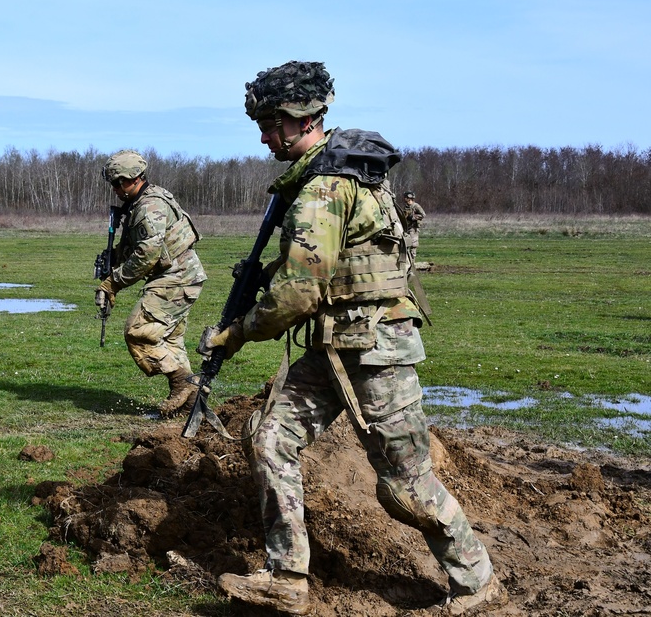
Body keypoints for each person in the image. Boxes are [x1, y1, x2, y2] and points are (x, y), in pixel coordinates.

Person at [206, 61, 506, 615]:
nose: (265, 136)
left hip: (378, 353)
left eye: (271, 124)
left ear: (301, 119)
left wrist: (237, 334)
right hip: (334, 347)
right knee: (271, 438)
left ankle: (479, 582)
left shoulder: (323, 189)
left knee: (405, 484)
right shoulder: (331, 177)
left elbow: (300, 293)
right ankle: (286, 576)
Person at [95, 149, 207, 417]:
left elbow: (147, 255)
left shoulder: (149, 207)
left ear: (132, 179)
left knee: (138, 331)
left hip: (176, 278)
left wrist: (113, 283)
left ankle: (184, 383)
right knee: (169, 340)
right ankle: (188, 408)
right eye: (113, 183)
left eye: (117, 183)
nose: (114, 189)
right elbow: (138, 248)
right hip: (177, 277)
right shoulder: (141, 202)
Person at [403, 190, 426, 261]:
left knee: (413, 245)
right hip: (407, 228)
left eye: (405, 197)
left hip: (413, 228)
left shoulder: (416, 206)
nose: (404, 199)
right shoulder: (406, 207)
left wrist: (412, 217)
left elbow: (423, 215)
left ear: (409, 198)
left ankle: (412, 262)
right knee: (406, 245)